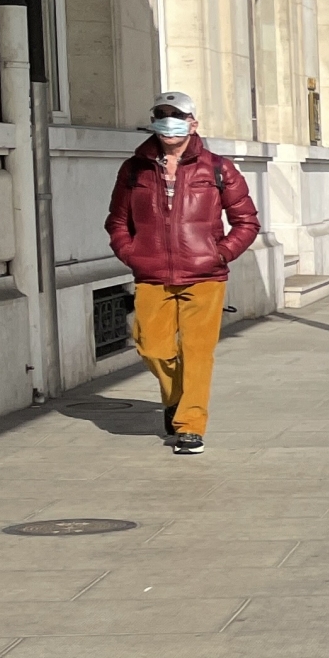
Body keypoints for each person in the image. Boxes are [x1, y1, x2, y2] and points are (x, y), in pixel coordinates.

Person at [103, 91, 259, 455]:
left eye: (177, 115)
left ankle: (190, 425)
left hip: (205, 276)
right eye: (162, 114)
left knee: (197, 352)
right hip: (151, 274)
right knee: (151, 347)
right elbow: (117, 221)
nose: (169, 121)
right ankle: (177, 399)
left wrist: (219, 255)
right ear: (153, 119)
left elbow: (246, 222)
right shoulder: (134, 169)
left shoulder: (218, 168)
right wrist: (131, 254)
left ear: (193, 122)